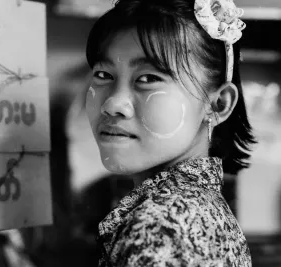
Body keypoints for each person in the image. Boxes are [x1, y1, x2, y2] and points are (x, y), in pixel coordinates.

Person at [84, 0, 256, 266]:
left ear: (217, 104)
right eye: (104, 74)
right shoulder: (199, 206)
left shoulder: (159, 226)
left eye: (148, 78)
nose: (113, 104)